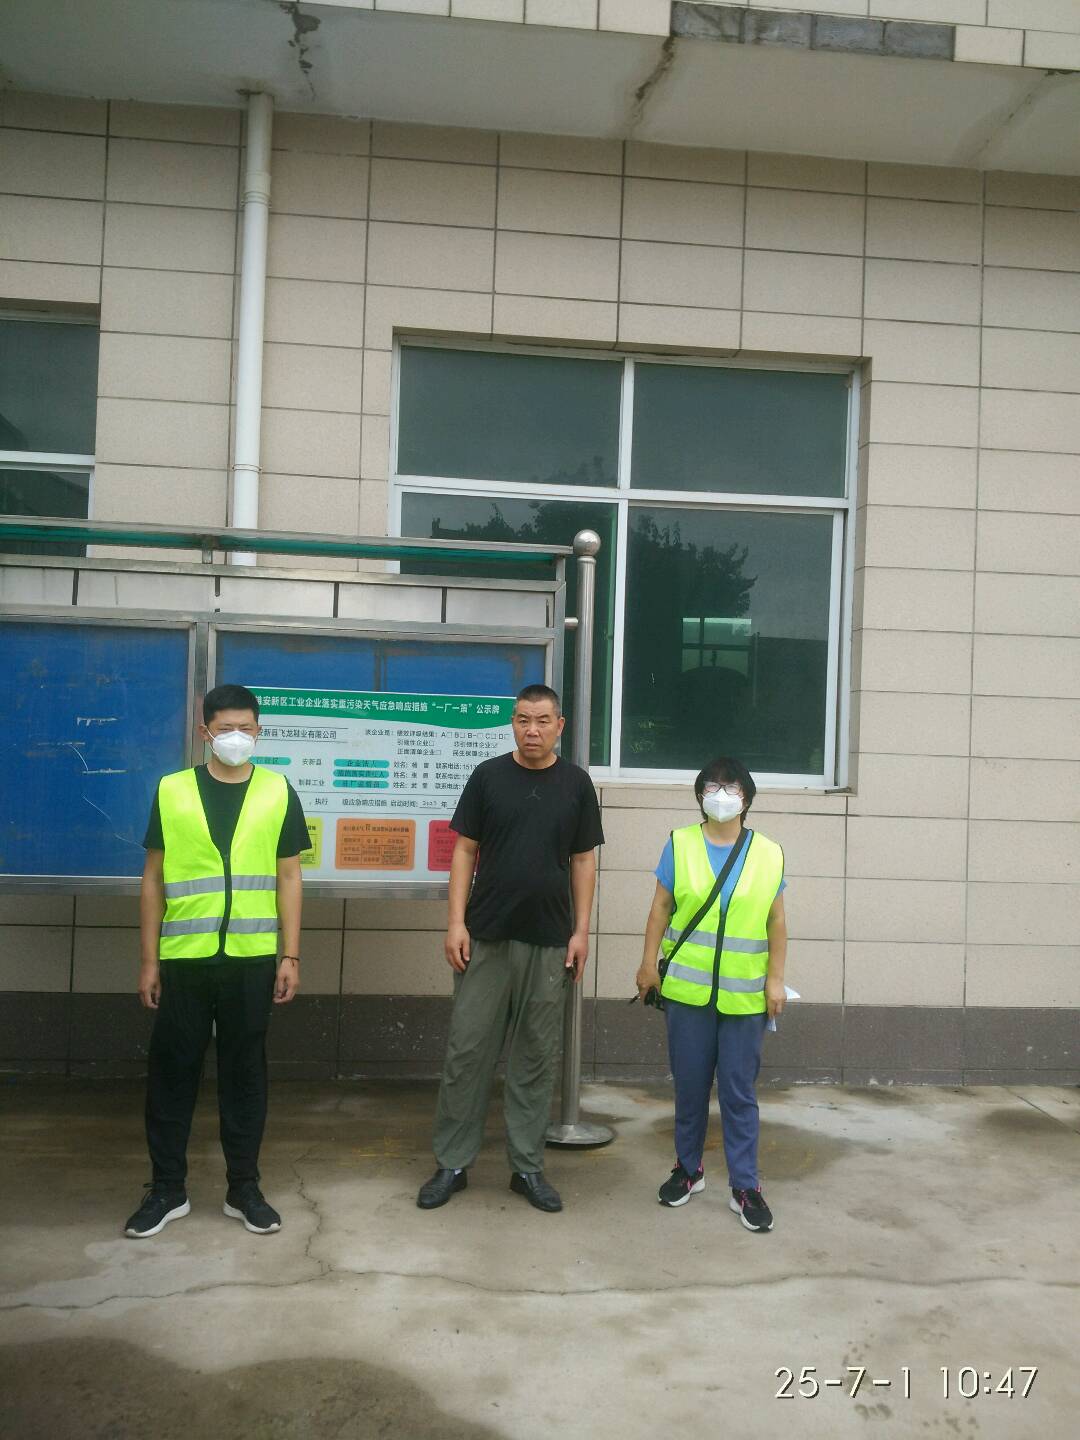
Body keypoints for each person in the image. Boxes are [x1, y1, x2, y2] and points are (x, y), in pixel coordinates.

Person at [124, 684, 309, 1239]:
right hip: (185, 959)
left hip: (251, 960)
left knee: (245, 1075)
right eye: (225, 728)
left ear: (259, 731)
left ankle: (243, 1188)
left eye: (246, 728)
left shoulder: (277, 790)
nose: (236, 737)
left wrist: (291, 954)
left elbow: (290, 876)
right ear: (204, 732)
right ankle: (167, 1189)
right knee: (172, 1074)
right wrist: (149, 960)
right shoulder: (173, 790)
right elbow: (153, 878)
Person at [417, 684, 604, 1214]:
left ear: (559, 726)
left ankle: (527, 1167)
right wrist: (455, 923)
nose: (532, 730)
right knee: (467, 1053)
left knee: (535, 1058)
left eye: (543, 721)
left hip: (550, 941)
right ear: (513, 723)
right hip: (486, 936)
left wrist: (581, 931)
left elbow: (584, 861)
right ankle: (452, 1164)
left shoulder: (576, 785)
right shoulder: (488, 777)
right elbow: (465, 851)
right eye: (523, 720)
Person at [635, 756, 787, 1233]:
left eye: (732, 787)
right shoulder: (680, 844)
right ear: (700, 795)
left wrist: (775, 980)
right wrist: (647, 964)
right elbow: (660, 908)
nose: (721, 795)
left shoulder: (769, 853)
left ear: (747, 797)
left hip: (744, 997)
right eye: (712, 786)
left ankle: (745, 1186)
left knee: (739, 1093)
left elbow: (777, 921)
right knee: (690, 1087)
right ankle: (688, 1169)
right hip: (687, 994)